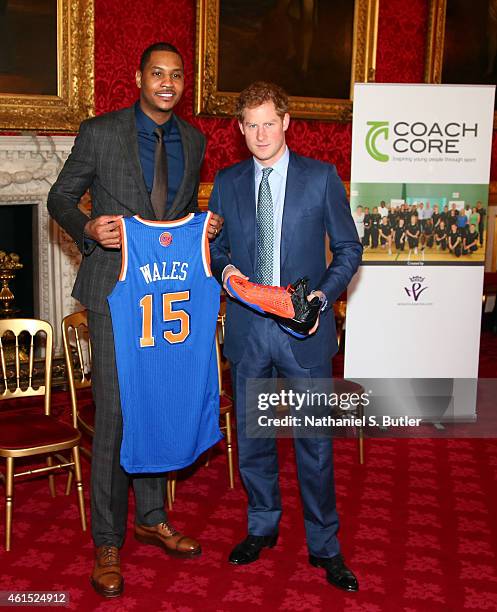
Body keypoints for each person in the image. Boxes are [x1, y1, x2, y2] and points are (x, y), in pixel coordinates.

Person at [47, 42, 222, 599]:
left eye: (176, 76)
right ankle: (107, 541)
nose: (167, 83)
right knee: (119, 411)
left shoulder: (194, 139)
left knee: (158, 402)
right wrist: (89, 227)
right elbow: (59, 197)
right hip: (111, 292)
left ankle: (151, 516)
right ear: (138, 77)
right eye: (157, 74)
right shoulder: (101, 131)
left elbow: (178, 215)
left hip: (168, 295)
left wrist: (204, 227)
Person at [209, 81, 362, 592]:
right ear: (239, 128)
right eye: (250, 124)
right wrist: (227, 273)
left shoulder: (321, 178)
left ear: (287, 121)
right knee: (253, 440)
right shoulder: (228, 182)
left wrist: (321, 298)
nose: (259, 133)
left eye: (268, 122)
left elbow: (347, 250)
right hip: (250, 334)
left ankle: (325, 545)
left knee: (314, 445)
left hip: (306, 334)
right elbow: (219, 248)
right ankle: (261, 526)